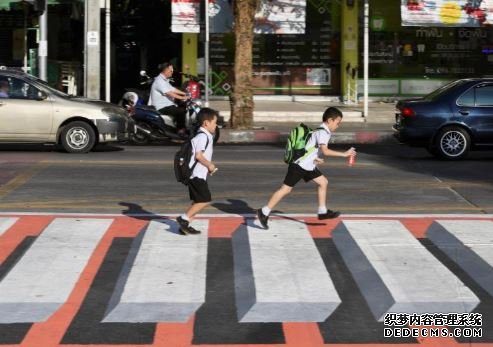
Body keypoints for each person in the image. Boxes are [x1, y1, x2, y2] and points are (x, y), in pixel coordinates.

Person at [257, 107, 356, 229]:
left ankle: (322, 211)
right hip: (299, 166)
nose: (338, 126)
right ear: (330, 120)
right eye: (337, 123)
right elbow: (325, 151)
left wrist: (315, 158)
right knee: (286, 189)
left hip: (308, 165)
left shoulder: (320, 130)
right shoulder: (323, 132)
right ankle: (264, 211)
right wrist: (344, 154)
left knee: (323, 182)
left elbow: (312, 148)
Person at [176, 107, 219, 235]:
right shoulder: (202, 137)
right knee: (205, 200)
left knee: (198, 201)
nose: (216, 126)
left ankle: (185, 225)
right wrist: (210, 165)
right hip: (195, 175)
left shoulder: (205, 136)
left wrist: (207, 169)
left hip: (198, 174)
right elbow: (199, 156)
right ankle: (184, 219)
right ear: (206, 123)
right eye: (215, 123)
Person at [148, 62, 189, 135]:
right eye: (171, 70)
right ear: (166, 70)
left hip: (168, 105)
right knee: (181, 111)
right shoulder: (159, 81)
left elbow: (172, 89)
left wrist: (185, 93)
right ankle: (180, 130)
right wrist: (182, 97)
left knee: (183, 107)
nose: (172, 72)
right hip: (162, 107)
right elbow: (169, 93)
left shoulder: (164, 80)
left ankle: (179, 127)